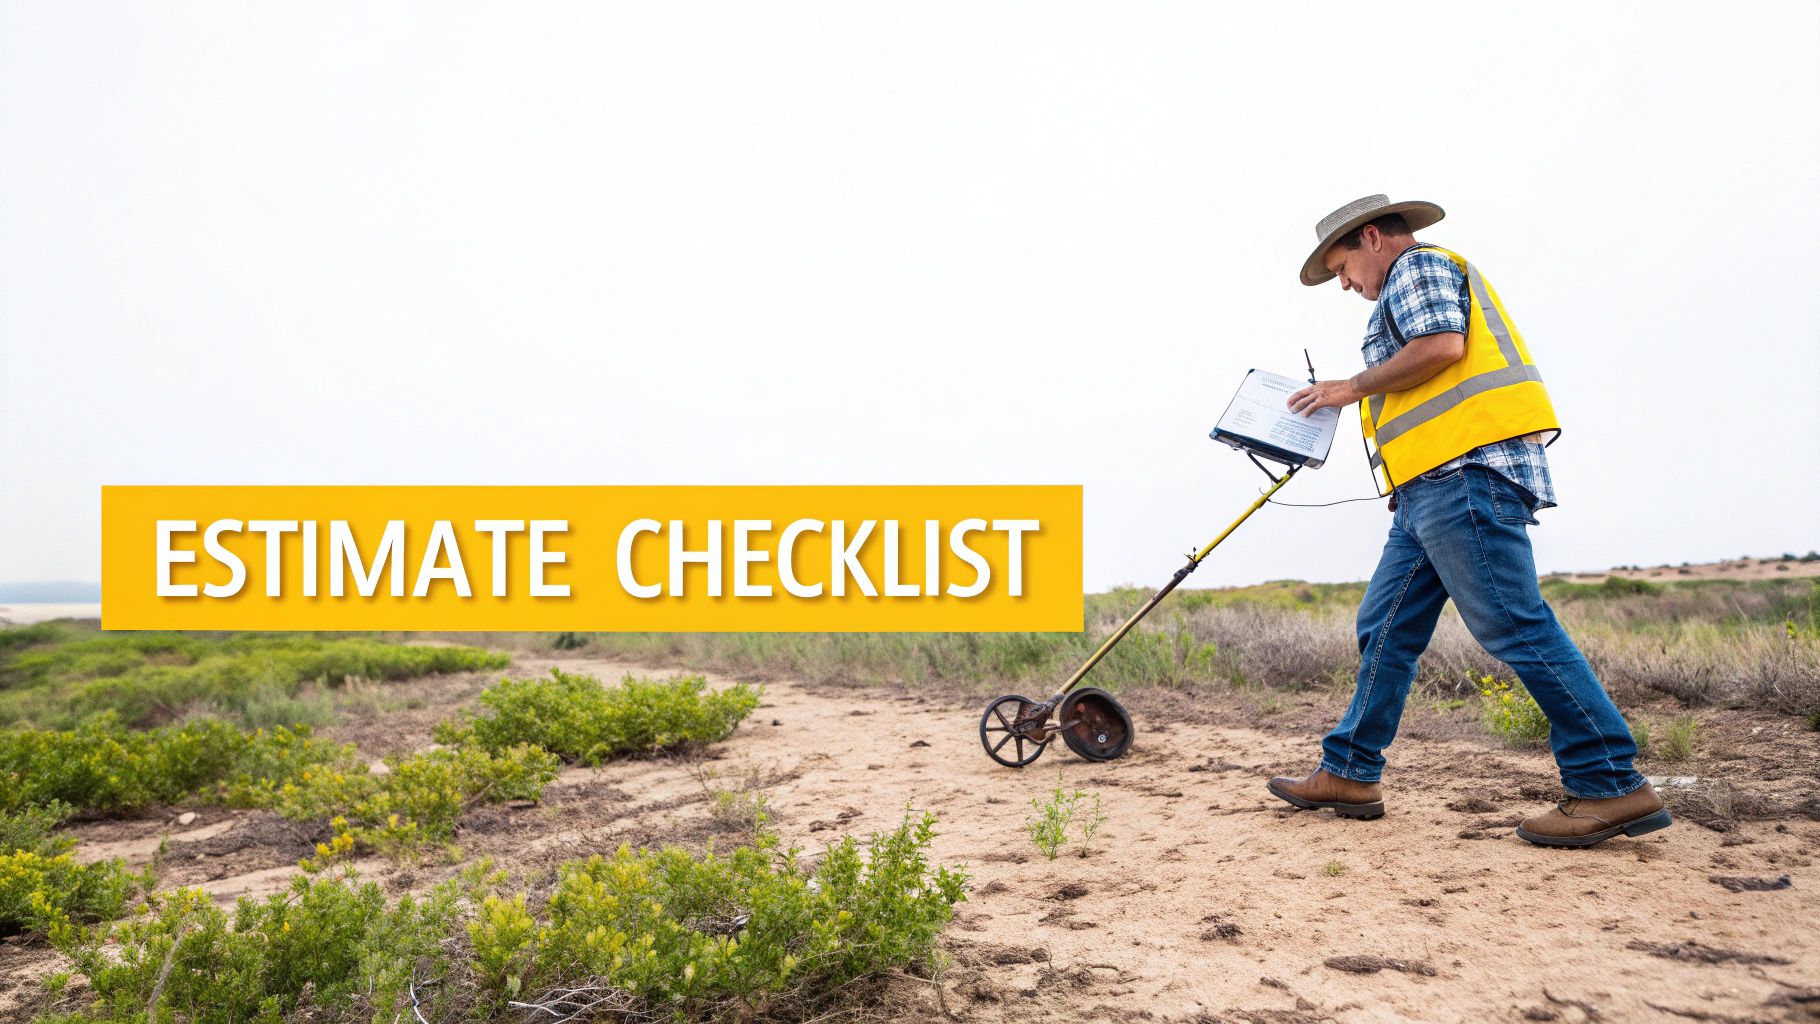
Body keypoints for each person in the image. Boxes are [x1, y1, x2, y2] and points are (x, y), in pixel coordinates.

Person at [1266, 194, 1671, 848]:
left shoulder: (1415, 268)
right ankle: (1349, 771)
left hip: (1465, 476)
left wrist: (1349, 387)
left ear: (1372, 237)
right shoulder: (1404, 279)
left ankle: (1610, 783)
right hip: (1429, 490)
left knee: (1512, 622)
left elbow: (1441, 346)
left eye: (1342, 267)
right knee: (1386, 626)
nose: (1344, 284)